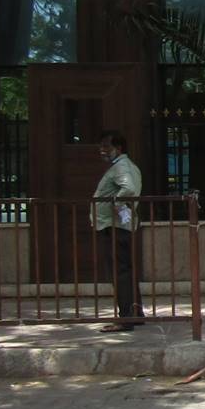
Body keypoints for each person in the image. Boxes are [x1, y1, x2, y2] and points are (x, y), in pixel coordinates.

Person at [93, 130, 144, 331]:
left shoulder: (122, 167)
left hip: (115, 227)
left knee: (119, 272)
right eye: (101, 147)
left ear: (119, 148)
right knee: (125, 271)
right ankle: (134, 313)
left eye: (107, 147)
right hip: (117, 225)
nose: (102, 151)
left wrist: (117, 203)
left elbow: (129, 189)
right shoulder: (122, 166)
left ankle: (126, 318)